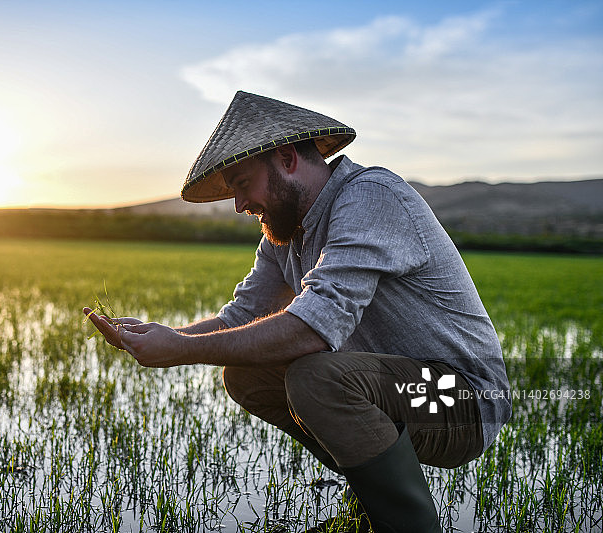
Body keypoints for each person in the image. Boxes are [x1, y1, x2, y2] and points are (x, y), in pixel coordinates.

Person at [84, 91, 511, 533]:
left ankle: (408, 526)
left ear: (287, 158)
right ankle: (372, 506)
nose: (239, 205)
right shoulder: (283, 236)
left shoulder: (371, 196)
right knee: (245, 374)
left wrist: (180, 351)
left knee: (317, 378)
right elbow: (241, 318)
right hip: (397, 388)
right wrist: (164, 335)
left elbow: (312, 329)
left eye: (242, 183)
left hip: (461, 398)